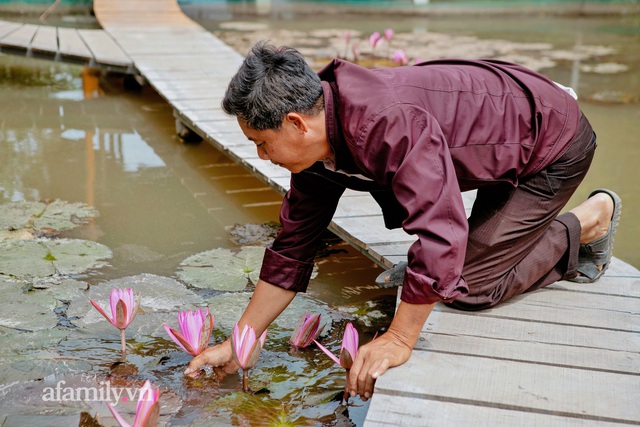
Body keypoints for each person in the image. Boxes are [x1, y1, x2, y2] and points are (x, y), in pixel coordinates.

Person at [185, 41, 622, 401]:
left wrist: (398, 338)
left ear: (297, 123)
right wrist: (239, 342)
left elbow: (440, 230)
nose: (262, 156)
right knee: (438, 273)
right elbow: (293, 244)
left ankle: (589, 220)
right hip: (499, 135)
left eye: (262, 143)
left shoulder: (384, 123)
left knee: (468, 287)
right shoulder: (318, 140)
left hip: (551, 143)